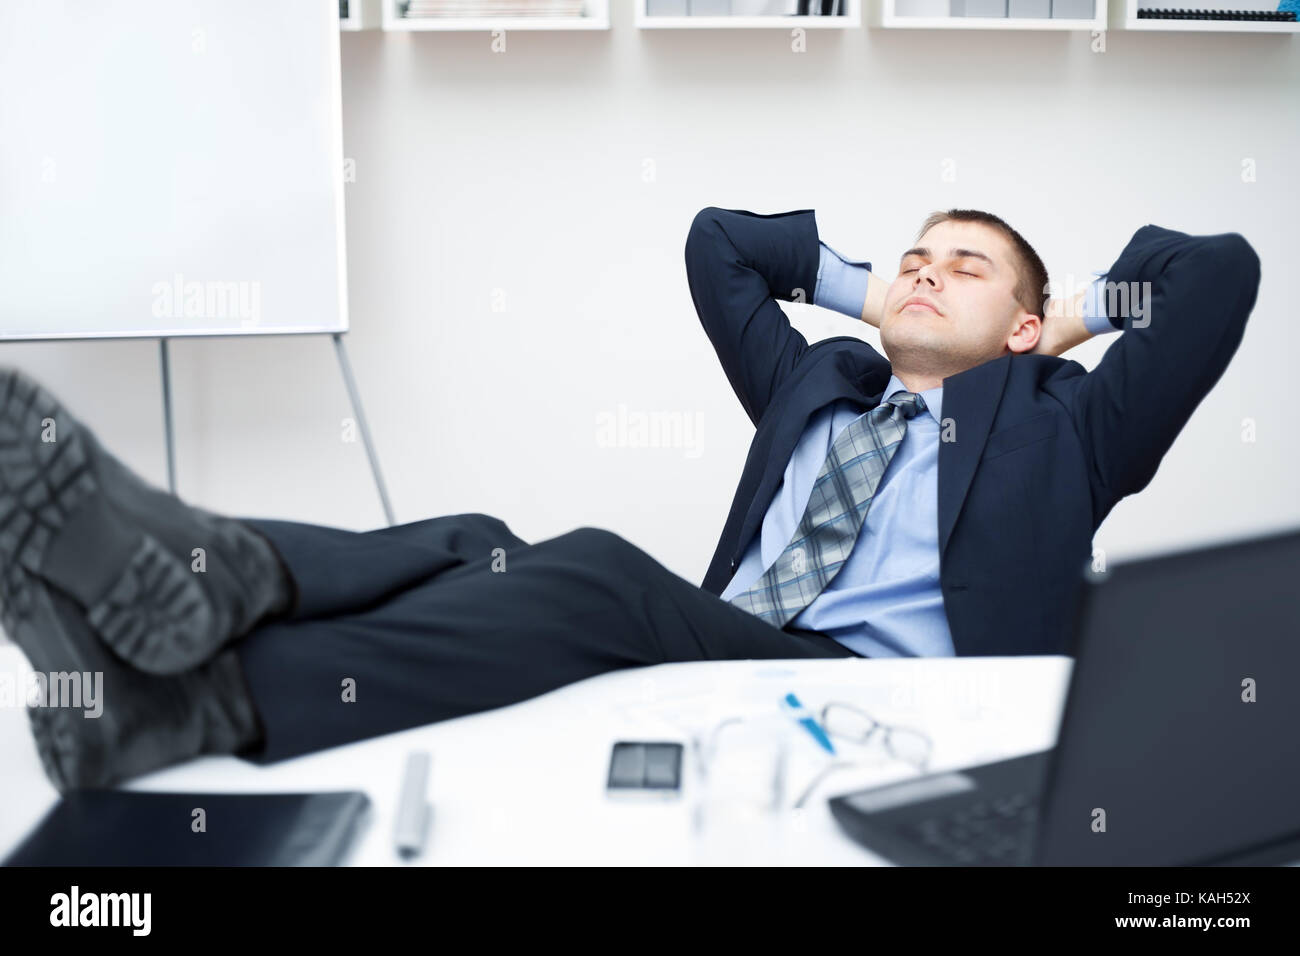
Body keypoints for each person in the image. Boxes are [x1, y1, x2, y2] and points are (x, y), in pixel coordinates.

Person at [0, 206, 1261, 792]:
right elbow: (721, 244)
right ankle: (177, 651)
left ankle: (183, 662)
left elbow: (1215, 274)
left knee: (597, 565)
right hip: (746, 642)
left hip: (882, 693)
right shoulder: (819, 379)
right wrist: (872, 289)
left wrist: (1068, 322)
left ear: (1026, 321)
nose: (926, 274)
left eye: (963, 267)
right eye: (914, 259)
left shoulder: (1068, 423)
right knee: (481, 544)